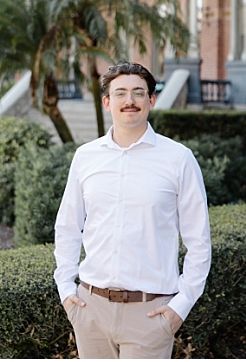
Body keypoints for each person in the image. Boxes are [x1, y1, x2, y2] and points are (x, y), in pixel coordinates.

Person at [54, 62, 211, 359]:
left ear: (151, 100)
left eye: (139, 93)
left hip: (151, 315)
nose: (130, 101)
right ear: (107, 102)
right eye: (121, 93)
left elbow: (198, 240)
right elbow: (67, 227)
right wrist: (65, 289)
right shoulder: (85, 157)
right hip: (90, 310)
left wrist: (182, 304)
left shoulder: (179, 159)